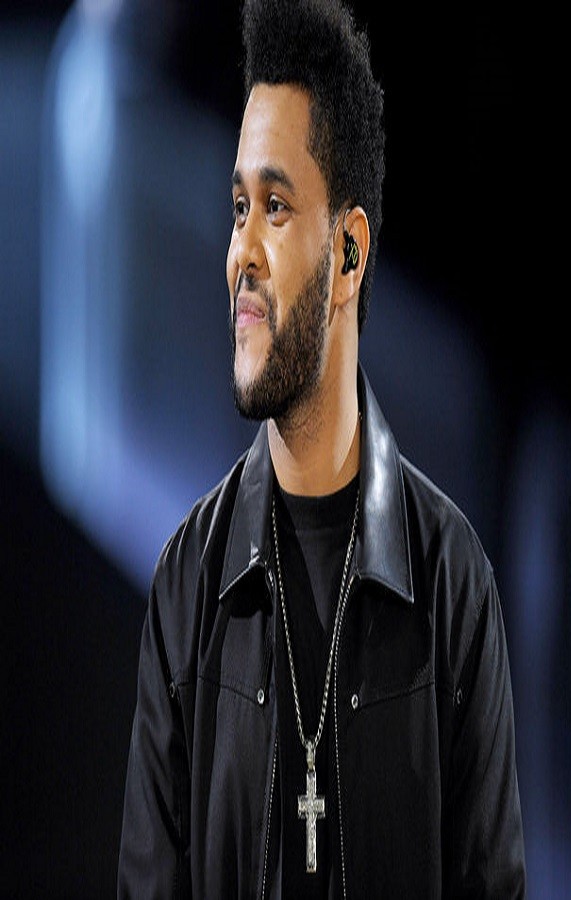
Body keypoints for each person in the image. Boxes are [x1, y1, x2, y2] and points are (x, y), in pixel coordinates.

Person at [117, 0, 526, 896]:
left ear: (347, 254)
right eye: (237, 208)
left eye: (274, 206)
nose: (241, 251)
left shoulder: (452, 580)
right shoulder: (188, 581)